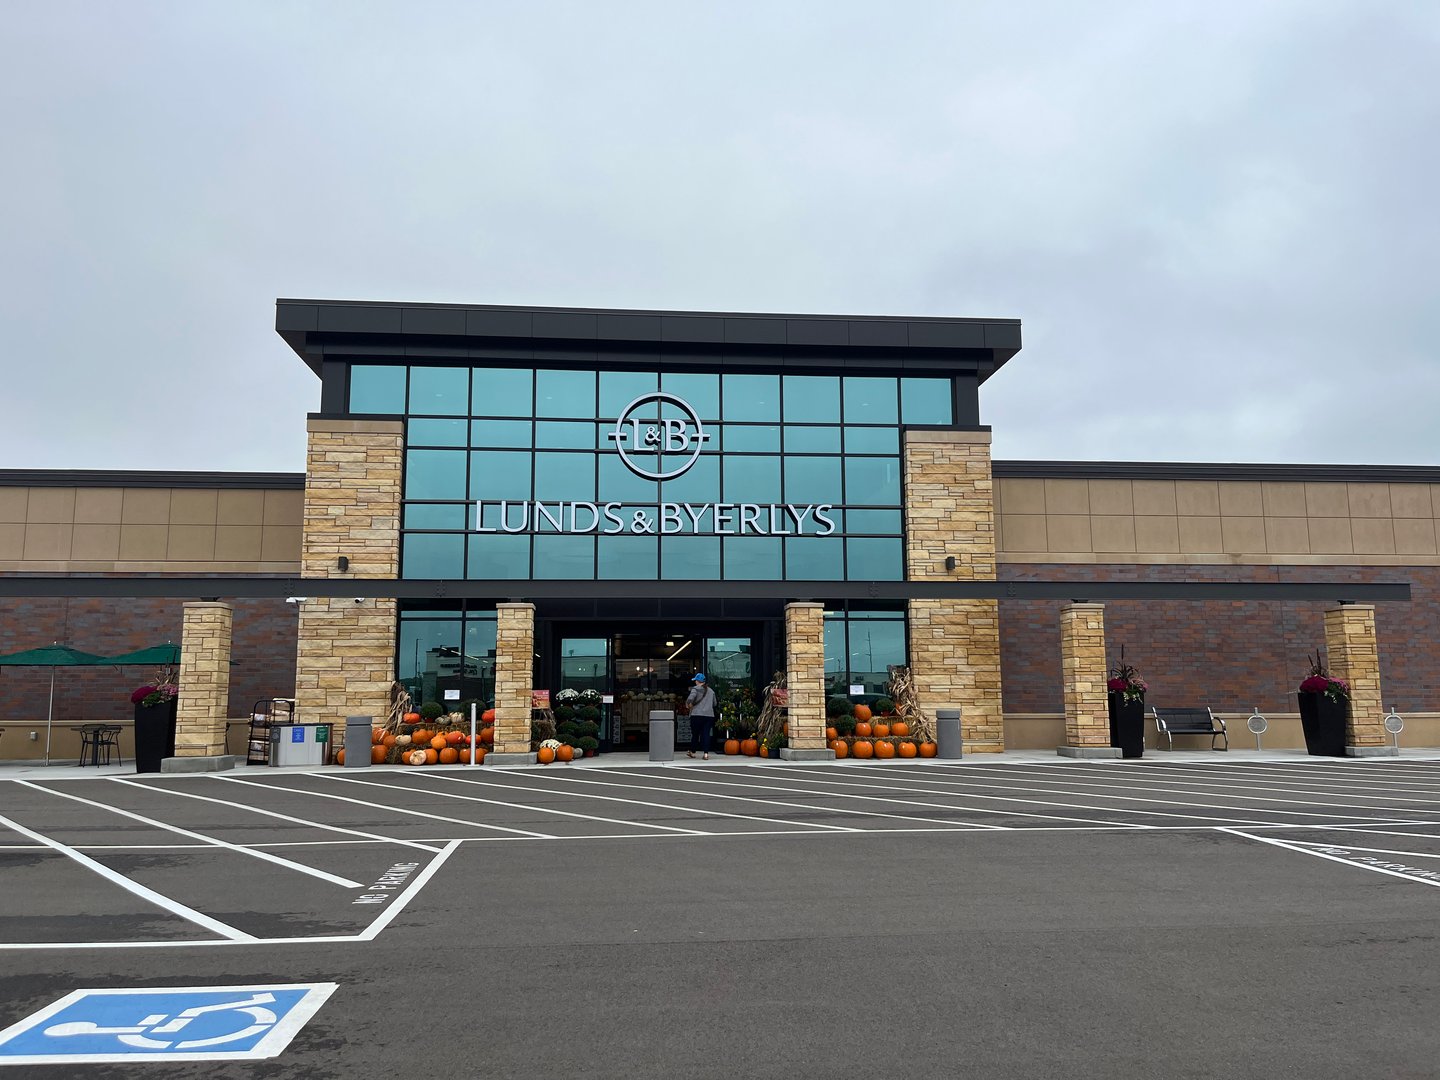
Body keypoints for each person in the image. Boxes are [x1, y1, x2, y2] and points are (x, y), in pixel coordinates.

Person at [684, 673, 716, 760]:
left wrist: (688, 704)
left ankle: (693, 751)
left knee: (695, 734)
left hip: (697, 714)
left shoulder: (695, 689)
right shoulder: (711, 691)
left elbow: (691, 698)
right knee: (706, 734)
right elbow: (714, 703)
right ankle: (706, 754)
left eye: (695, 680)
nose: (695, 682)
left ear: (698, 681)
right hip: (709, 715)